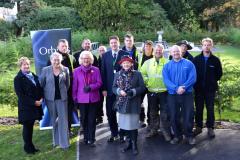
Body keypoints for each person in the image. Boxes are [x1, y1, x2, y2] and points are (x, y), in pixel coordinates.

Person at [162, 45, 196, 145]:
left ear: (181, 52)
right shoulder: (167, 66)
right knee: (173, 115)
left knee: (188, 115)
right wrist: (176, 88)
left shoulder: (189, 63)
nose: (176, 53)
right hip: (173, 94)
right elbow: (166, 80)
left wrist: (184, 87)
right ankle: (177, 136)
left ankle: (189, 135)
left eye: (177, 51)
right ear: (170, 53)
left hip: (187, 94)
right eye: (174, 52)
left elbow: (193, 78)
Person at [112, 55, 145, 155]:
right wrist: (119, 91)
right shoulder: (117, 74)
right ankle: (128, 144)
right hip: (122, 104)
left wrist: (133, 91)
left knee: (133, 125)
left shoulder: (137, 74)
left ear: (131, 64)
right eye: (124, 63)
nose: (126, 64)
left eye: (128, 62)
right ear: (121, 64)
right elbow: (113, 87)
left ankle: (134, 145)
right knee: (125, 126)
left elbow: (142, 87)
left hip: (133, 103)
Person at [101, 35, 129, 142]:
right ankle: (114, 133)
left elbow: (130, 70)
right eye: (111, 43)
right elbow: (103, 72)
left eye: (115, 42)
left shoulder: (125, 54)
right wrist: (103, 88)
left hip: (123, 90)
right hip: (110, 90)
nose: (113, 44)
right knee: (110, 113)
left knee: (123, 113)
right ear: (109, 44)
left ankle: (123, 134)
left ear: (118, 42)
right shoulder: (105, 56)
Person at [193, 38, 223, 138]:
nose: (206, 46)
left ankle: (210, 127)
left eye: (208, 45)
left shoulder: (215, 60)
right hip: (199, 89)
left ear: (211, 46)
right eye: (205, 45)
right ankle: (198, 127)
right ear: (202, 46)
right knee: (199, 109)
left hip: (210, 90)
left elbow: (219, 74)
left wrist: (212, 82)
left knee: (210, 109)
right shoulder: (196, 59)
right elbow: (193, 74)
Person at [140, 44, 171, 141]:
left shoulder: (168, 63)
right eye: (157, 50)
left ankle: (165, 131)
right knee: (153, 112)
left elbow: (172, 75)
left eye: (160, 50)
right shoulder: (148, 62)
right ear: (154, 51)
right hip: (152, 91)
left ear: (163, 51)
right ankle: (154, 129)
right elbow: (142, 73)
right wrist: (147, 82)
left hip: (164, 92)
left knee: (165, 113)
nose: (158, 52)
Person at [40, 52, 70, 150]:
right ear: (51, 60)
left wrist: (63, 92)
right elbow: (41, 84)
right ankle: (56, 141)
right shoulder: (45, 70)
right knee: (53, 120)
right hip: (50, 99)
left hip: (62, 99)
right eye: (54, 60)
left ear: (61, 60)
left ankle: (64, 143)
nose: (56, 61)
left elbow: (67, 84)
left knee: (63, 121)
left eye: (58, 59)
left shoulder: (65, 69)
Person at [14, 57, 43, 154]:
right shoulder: (18, 79)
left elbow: (38, 88)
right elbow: (21, 96)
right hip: (26, 107)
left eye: (27, 64)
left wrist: (41, 97)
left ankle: (31, 147)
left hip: (35, 106)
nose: (26, 66)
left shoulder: (33, 75)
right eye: (24, 64)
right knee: (27, 128)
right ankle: (28, 149)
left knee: (30, 127)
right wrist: (34, 102)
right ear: (20, 66)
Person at [72, 51, 102, 146]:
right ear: (81, 59)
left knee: (92, 119)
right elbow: (74, 86)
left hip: (93, 99)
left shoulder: (96, 69)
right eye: (84, 58)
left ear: (91, 59)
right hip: (81, 100)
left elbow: (99, 83)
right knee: (84, 119)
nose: (86, 60)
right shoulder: (76, 71)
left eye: (88, 58)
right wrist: (75, 98)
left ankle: (92, 138)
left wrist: (91, 87)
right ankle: (86, 137)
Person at [47, 39, 76, 136]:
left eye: (66, 46)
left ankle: (68, 130)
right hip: (58, 92)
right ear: (58, 47)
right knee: (59, 112)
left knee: (68, 111)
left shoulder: (71, 58)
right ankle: (59, 131)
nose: (64, 48)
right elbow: (48, 76)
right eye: (62, 46)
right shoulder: (53, 58)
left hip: (70, 90)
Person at [96, 45, 107, 124]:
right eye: (100, 50)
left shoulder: (108, 60)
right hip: (99, 84)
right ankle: (100, 117)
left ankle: (111, 117)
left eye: (103, 50)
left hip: (108, 83)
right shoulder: (96, 60)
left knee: (110, 102)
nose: (102, 52)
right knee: (99, 102)